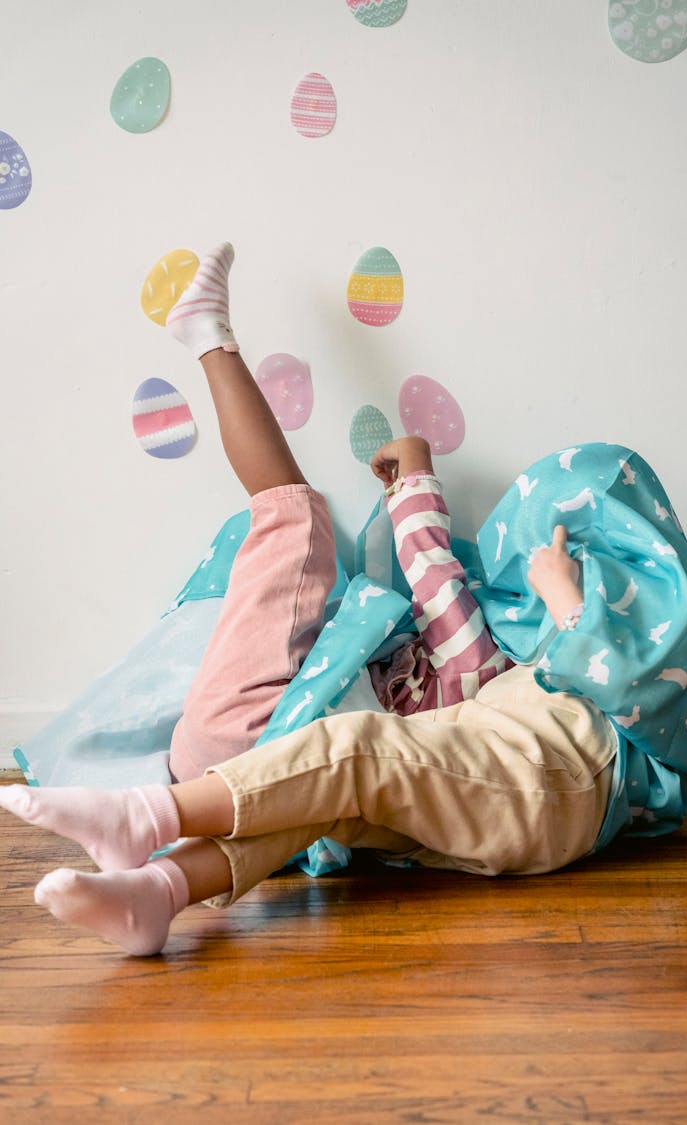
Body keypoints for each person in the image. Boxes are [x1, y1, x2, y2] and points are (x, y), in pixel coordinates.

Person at [0, 245, 634, 955]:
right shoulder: (479, 706)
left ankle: (209, 338)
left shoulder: (486, 675)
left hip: (249, 741)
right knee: (328, 776)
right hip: (269, 773)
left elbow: (434, 577)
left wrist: (415, 478)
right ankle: (157, 892)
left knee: (294, 518)